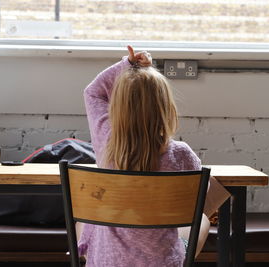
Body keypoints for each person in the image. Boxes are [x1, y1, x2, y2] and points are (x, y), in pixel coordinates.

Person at [79, 45, 210, 267]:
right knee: (203, 219)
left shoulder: (106, 141)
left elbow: (92, 92)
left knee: (86, 216)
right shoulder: (180, 154)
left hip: (105, 261)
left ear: (117, 108)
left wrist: (127, 65)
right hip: (162, 262)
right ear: (165, 107)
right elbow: (199, 198)